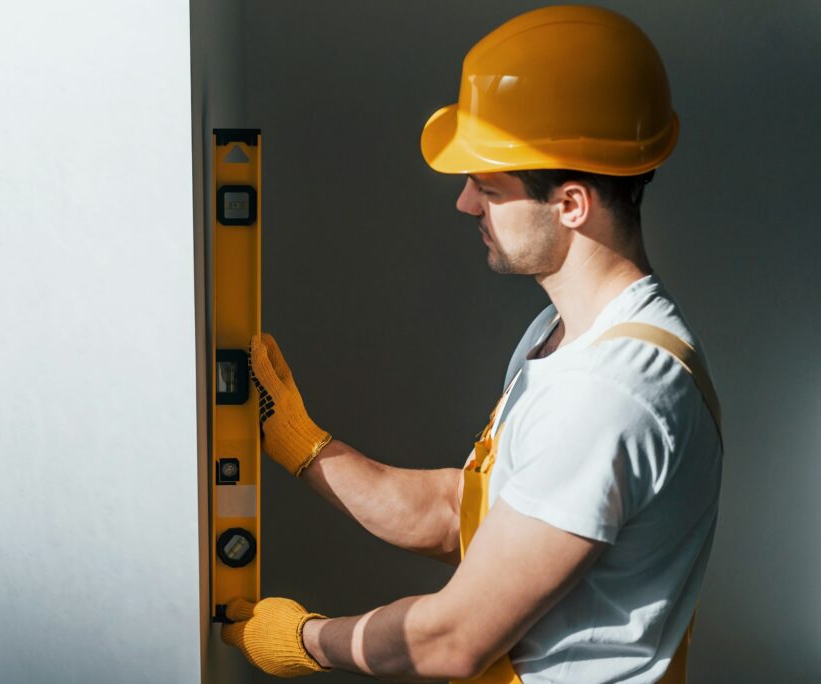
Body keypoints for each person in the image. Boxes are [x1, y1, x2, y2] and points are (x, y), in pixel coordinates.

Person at [220, 6, 723, 683]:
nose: (464, 204)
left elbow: (448, 640)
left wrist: (303, 639)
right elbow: (463, 513)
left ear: (571, 204)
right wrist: (306, 447)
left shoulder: (609, 393)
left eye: (488, 187)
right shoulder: (562, 337)